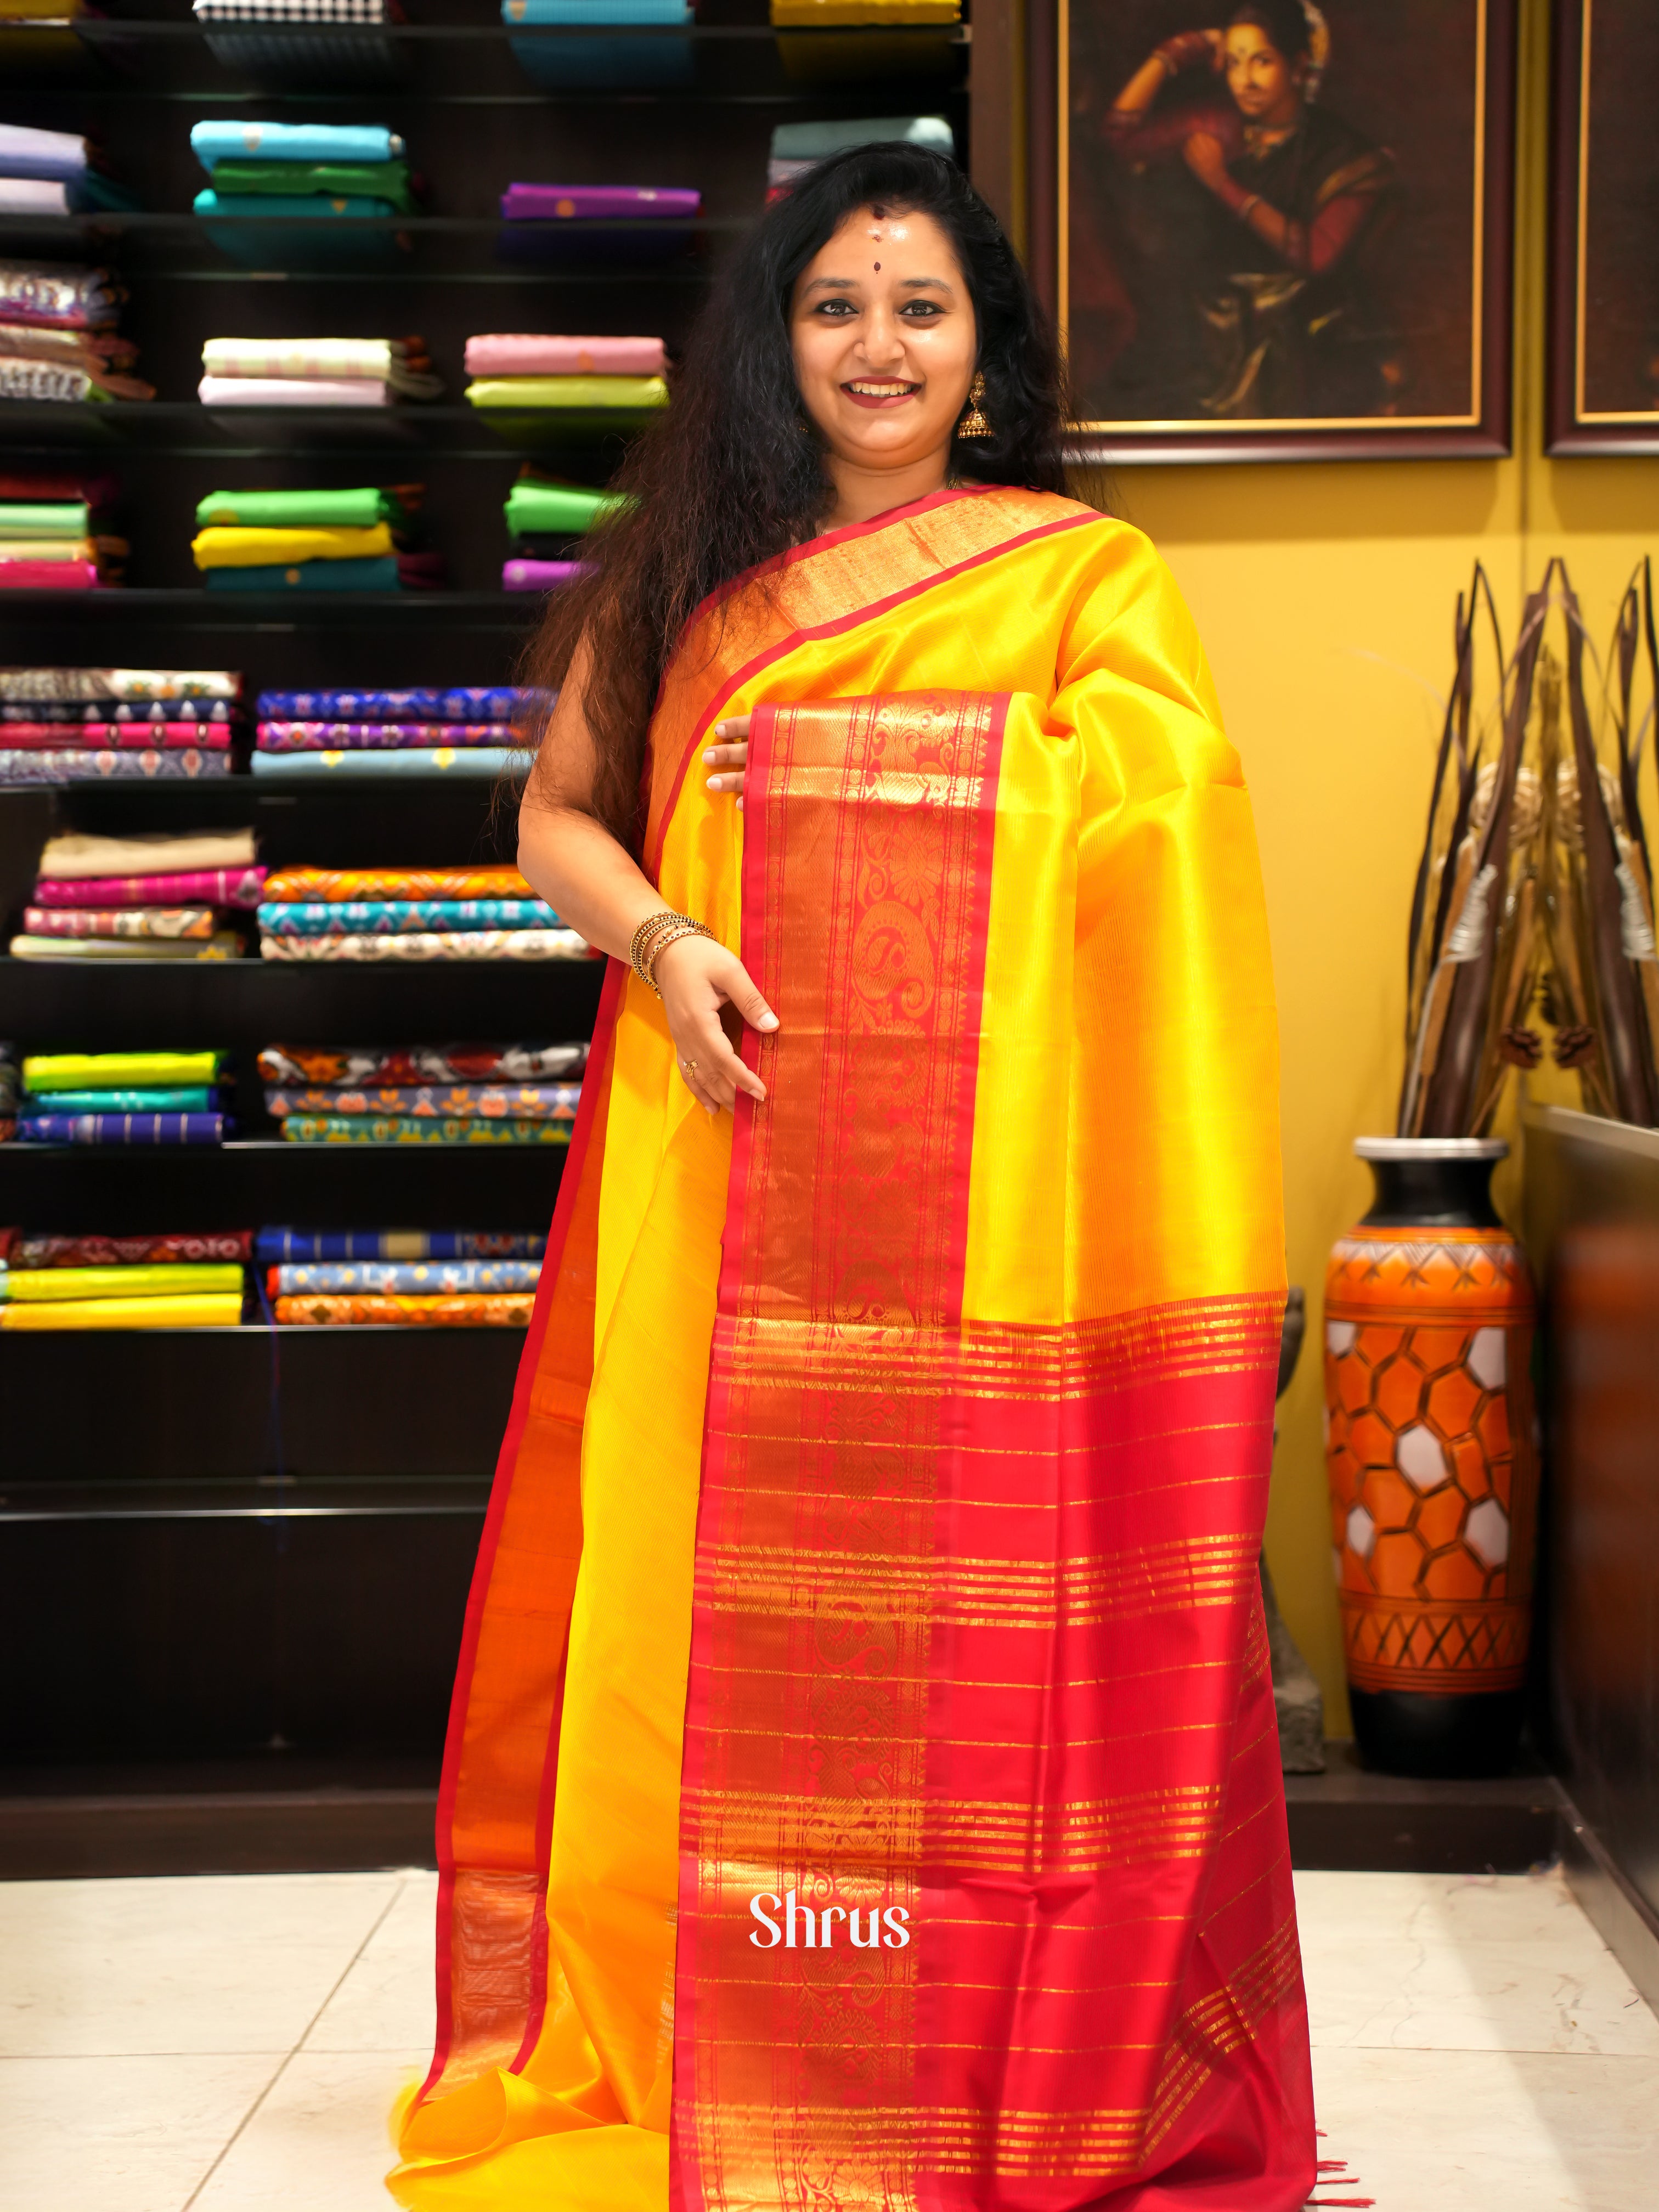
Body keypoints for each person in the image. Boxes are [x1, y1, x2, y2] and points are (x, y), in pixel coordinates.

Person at [390, 142, 1313, 2211]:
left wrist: (838, 796)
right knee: (687, 1605)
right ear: (772, 343)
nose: (874, 346)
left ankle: (937, 2026)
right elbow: (556, 821)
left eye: (917, 307)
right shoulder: (690, 573)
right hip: (718, 1149)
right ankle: (705, 2015)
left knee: (954, 1625)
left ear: (979, 353)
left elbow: (1156, 819)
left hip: (990, 1223)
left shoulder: (1080, 578)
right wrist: (665, 935)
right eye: (831, 306)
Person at [1091, 0, 1396, 419]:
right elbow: (1118, 136)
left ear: (1298, 66)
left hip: (1299, 338)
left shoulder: (1343, 154)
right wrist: (1177, 52)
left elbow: (1316, 255)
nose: (1245, 81)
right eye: (1234, 63)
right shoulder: (1218, 124)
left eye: (1261, 62)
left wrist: (1223, 184)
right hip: (1206, 334)